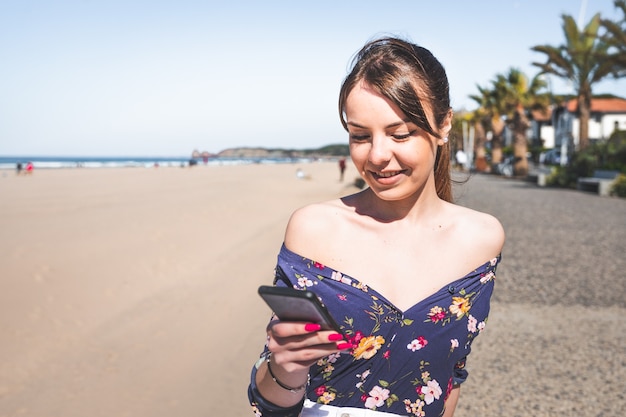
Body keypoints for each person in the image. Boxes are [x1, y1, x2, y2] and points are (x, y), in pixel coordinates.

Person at [248, 36, 505, 417]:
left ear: (444, 124)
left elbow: (450, 378)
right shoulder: (315, 229)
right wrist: (287, 368)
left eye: (400, 133)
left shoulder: (481, 239)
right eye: (360, 136)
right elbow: (269, 402)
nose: (379, 156)